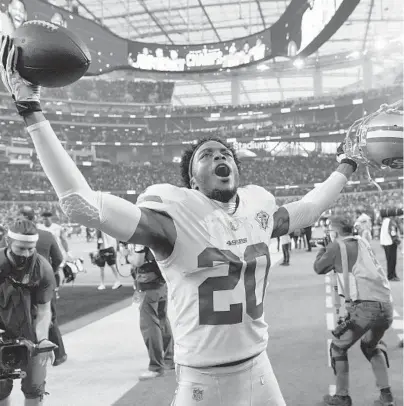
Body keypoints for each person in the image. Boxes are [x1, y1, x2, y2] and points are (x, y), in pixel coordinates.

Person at [0, 37, 359, 406]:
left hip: (260, 369)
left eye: (226, 153)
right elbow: (80, 204)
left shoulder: (258, 208)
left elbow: (310, 208)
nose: (220, 156)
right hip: (204, 379)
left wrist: (347, 163)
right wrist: (30, 110)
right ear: (192, 180)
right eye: (206, 155)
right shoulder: (173, 219)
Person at [313, 215, 395, 406]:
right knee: (370, 345)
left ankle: (342, 396)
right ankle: (386, 395)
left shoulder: (336, 246)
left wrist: (324, 248)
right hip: (386, 305)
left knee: (338, 347)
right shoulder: (363, 241)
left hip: (366, 307)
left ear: (336, 231)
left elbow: (319, 268)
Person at [0, 219, 56, 406]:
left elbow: (43, 309)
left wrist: (42, 339)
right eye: (21, 248)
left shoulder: (42, 268)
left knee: (35, 388)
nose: (26, 254)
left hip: (31, 333)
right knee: (0, 389)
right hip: (1, 330)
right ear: (8, 242)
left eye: (31, 248)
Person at [19, 207, 68, 367]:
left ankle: (27, 357)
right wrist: (49, 273)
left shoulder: (12, 238)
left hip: (20, 286)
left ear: (24, 218)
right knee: (49, 317)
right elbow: (59, 258)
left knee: (21, 318)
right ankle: (59, 355)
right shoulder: (47, 235)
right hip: (45, 284)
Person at [131, 244, 174, 380]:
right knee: (162, 320)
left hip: (148, 284)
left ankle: (156, 366)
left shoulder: (141, 235)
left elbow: (138, 261)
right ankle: (169, 359)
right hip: (162, 280)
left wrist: (130, 256)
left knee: (150, 324)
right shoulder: (159, 230)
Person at [380, 212, 401, 281]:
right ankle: (391, 276)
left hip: (385, 243)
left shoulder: (385, 221)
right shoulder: (391, 222)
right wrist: (397, 242)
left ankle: (392, 275)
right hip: (390, 243)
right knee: (392, 260)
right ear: (394, 216)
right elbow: (392, 233)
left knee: (389, 260)